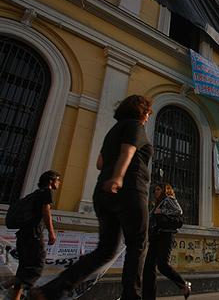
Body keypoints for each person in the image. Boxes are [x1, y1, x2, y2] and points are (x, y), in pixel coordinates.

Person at [30, 95, 154, 300]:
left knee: (105, 250)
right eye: (148, 112)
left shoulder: (112, 132)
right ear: (142, 112)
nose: (148, 116)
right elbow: (128, 151)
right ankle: (132, 296)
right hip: (130, 191)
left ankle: (49, 291)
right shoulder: (136, 126)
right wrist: (118, 177)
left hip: (103, 193)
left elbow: (99, 163)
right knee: (138, 245)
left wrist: (112, 176)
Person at [1, 171, 61, 300]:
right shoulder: (46, 192)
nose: (59, 183)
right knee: (36, 267)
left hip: (22, 235)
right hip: (33, 236)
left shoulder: (34, 194)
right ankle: (5, 284)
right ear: (51, 180)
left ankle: (15, 298)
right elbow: (46, 211)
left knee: (24, 268)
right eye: (58, 180)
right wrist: (51, 232)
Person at [143, 183, 191, 300]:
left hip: (166, 235)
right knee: (148, 267)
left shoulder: (169, 199)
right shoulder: (156, 205)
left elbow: (178, 211)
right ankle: (148, 297)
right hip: (156, 237)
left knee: (162, 265)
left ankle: (183, 284)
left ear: (165, 190)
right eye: (155, 190)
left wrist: (162, 211)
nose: (156, 192)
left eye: (158, 189)